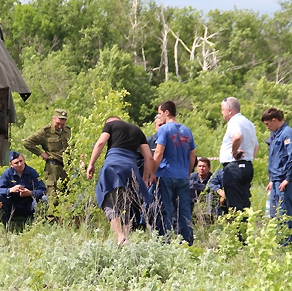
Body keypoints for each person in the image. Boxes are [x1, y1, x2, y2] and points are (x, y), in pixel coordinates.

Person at [86, 117, 153, 246]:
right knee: (126, 204)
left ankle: (120, 237)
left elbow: (100, 143)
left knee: (107, 200)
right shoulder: (137, 130)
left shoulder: (110, 125)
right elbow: (149, 157)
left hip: (113, 166)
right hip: (131, 169)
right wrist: (145, 179)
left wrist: (91, 164)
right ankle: (126, 238)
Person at [152, 101, 197, 245]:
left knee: (166, 210)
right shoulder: (187, 131)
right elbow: (192, 155)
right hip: (182, 176)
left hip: (166, 175)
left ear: (166, 112)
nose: (159, 117)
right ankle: (187, 241)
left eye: (160, 114)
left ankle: (165, 242)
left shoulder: (164, 130)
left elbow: (158, 153)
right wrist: (188, 172)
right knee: (184, 211)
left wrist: (151, 172)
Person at [262, 107, 292, 230]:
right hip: (276, 181)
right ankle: (278, 245)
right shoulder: (275, 135)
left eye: (268, 124)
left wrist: (288, 179)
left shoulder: (287, 134)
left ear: (274, 120)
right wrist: (272, 179)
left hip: (284, 182)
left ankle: (286, 246)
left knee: (284, 215)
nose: (267, 127)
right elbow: (276, 160)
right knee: (275, 215)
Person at [219, 97, 259, 211]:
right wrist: (249, 158)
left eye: (223, 110)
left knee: (233, 205)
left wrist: (234, 152)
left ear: (230, 110)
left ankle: (236, 228)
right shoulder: (249, 123)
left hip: (234, 168)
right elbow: (256, 145)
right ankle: (244, 227)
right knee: (243, 202)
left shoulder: (234, 122)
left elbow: (237, 136)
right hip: (247, 167)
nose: (222, 113)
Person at [22, 108, 71, 198]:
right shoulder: (45, 132)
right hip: (53, 167)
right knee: (53, 197)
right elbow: (27, 142)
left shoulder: (67, 130)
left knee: (68, 195)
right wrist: (41, 153)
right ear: (53, 118)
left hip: (67, 168)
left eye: (62, 124)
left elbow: (71, 146)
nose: (60, 126)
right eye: (58, 124)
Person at [0, 151, 47, 225]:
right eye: (16, 163)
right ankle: (6, 226)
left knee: (44, 199)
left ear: (24, 159)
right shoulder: (7, 174)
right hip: (13, 204)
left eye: (21, 161)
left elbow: (42, 190)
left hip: (29, 204)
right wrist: (10, 190)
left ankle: (39, 224)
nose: (20, 164)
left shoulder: (32, 172)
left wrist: (30, 193)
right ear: (11, 165)